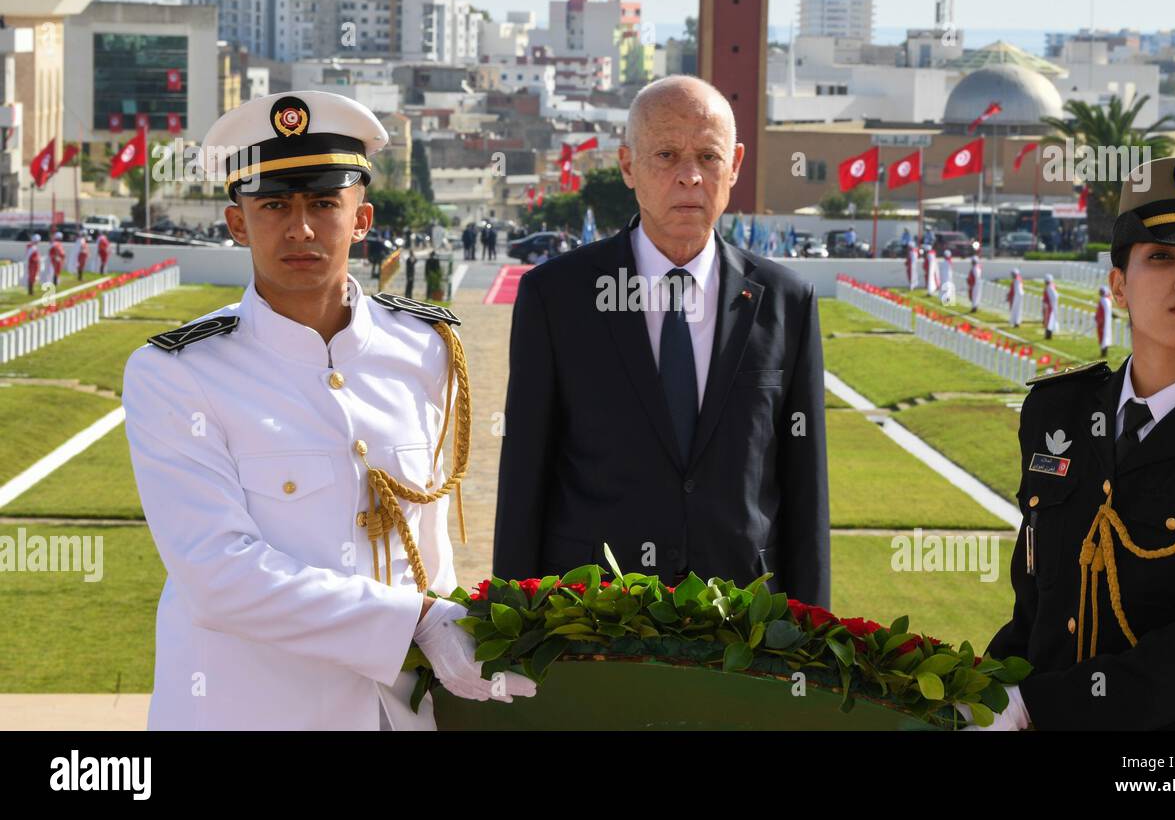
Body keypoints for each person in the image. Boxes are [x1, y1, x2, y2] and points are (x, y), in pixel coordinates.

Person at [121, 90, 534, 730]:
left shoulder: (425, 349)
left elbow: (428, 548)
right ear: (237, 224)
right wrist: (415, 621)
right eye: (274, 206)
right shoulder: (176, 373)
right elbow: (217, 573)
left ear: (362, 218)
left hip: (397, 713)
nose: (301, 229)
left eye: (323, 204)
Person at [975, 155, 1175, 730]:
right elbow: (1038, 605)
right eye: (1162, 256)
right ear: (1119, 284)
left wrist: (1037, 707)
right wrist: (981, 692)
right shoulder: (1058, 412)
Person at [493, 75, 831, 606]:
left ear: (736, 164)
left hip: (744, 625)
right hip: (593, 621)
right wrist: (512, 626)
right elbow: (523, 481)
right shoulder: (556, 296)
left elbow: (806, 492)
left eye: (708, 157)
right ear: (628, 165)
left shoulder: (787, 301)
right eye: (667, 155)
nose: (690, 177)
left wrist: (813, 637)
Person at [1096, 285, 1113, 356]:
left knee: (1103, 337)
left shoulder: (1103, 301)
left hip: (1103, 323)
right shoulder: (1107, 301)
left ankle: (1103, 353)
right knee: (1105, 337)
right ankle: (1104, 353)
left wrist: (1099, 320)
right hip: (1106, 323)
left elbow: (1101, 312)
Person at [1043, 272, 1060, 340]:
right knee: (1049, 320)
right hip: (1051, 306)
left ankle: (1048, 334)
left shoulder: (1050, 287)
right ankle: (1048, 333)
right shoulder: (1051, 286)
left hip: (1050, 306)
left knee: (1049, 320)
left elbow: (1053, 297)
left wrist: (1046, 304)